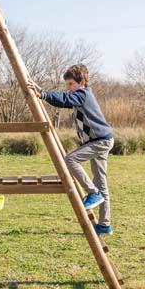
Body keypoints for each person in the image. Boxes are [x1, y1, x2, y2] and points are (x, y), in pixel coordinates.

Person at [27, 64, 115, 235]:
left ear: (82, 82)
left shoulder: (83, 94)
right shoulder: (80, 95)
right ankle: (105, 225)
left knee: (69, 160)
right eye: (67, 84)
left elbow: (65, 100)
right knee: (101, 183)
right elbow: (64, 99)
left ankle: (92, 193)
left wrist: (43, 94)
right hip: (99, 141)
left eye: (70, 84)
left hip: (100, 141)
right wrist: (42, 91)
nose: (68, 88)